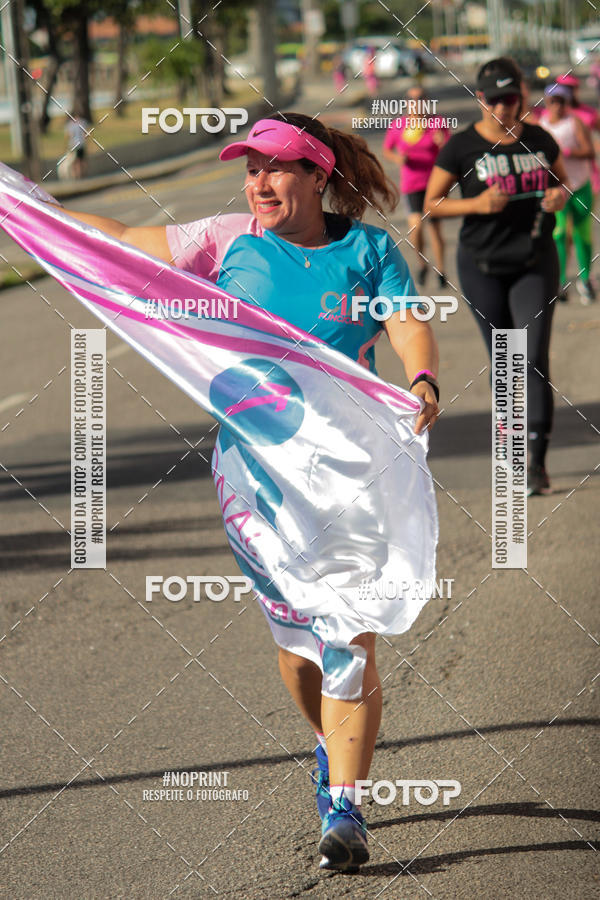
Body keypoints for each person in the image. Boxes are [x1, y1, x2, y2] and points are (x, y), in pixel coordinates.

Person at [49, 112, 440, 871]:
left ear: (319, 175)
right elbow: (119, 243)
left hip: (350, 474)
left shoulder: (365, 249)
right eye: (250, 168)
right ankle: (329, 741)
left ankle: (347, 807)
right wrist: (29, 210)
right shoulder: (228, 239)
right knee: (299, 647)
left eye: (277, 167)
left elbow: (407, 323)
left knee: (347, 638)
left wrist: (421, 374)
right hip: (255, 480)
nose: (259, 182)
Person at [424, 57, 569, 497]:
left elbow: (564, 183)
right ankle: (511, 450)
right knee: (505, 360)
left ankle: (535, 464)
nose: (505, 109)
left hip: (534, 262)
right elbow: (431, 203)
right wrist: (475, 205)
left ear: (523, 97)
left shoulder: (540, 139)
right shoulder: (462, 147)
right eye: (496, 100)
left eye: (513, 99)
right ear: (481, 98)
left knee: (531, 358)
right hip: (482, 266)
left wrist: (560, 196)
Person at [383, 85, 449, 287]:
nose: (416, 103)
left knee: (435, 230)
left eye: (420, 98)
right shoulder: (398, 126)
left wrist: (442, 143)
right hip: (411, 185)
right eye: (412, 99)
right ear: (406, 103)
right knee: (416, 229)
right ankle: (422, 264)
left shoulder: (438, 123)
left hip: (434, 185)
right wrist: (398, 158)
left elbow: (450, 151)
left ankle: (441, 271)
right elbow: (387, 150)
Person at [539, 83, 595, 304]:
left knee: (582, 235)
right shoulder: (541, 126)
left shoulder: (575, 123)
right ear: (546, 103)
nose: (558, 106)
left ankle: (585, 279)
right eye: (553, 102)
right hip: (557, 190)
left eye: (562, 101)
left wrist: (567, 152)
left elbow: (589, 150)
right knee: (560, 234)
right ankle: (560, 281)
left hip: (580, 186)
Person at [64, 114, 89, 179]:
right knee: (81, 160)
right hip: (81, 144)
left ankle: (76, 175)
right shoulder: (83, 122)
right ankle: (82, 174)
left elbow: (68, 135)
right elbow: (85, 134)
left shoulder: (70, 124)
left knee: (74, 161)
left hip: (73, 145)